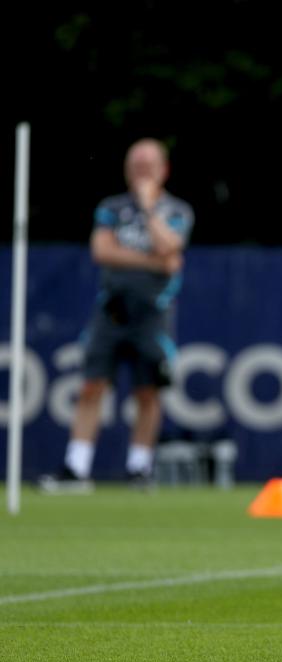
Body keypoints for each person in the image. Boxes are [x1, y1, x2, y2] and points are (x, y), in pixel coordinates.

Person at [38, 138, 193, 493]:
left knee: (148, 392)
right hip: (111, 310)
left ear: (163, 170)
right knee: (92, 385)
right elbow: (103, 251)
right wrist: (153, 260)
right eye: (135, 165)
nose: (140, 172)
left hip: (153, 313)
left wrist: (148, 208)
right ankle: (76, 468)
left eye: (147, 166)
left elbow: (171, 248)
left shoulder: (177, 210)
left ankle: (139, 467)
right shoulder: (111, 207)